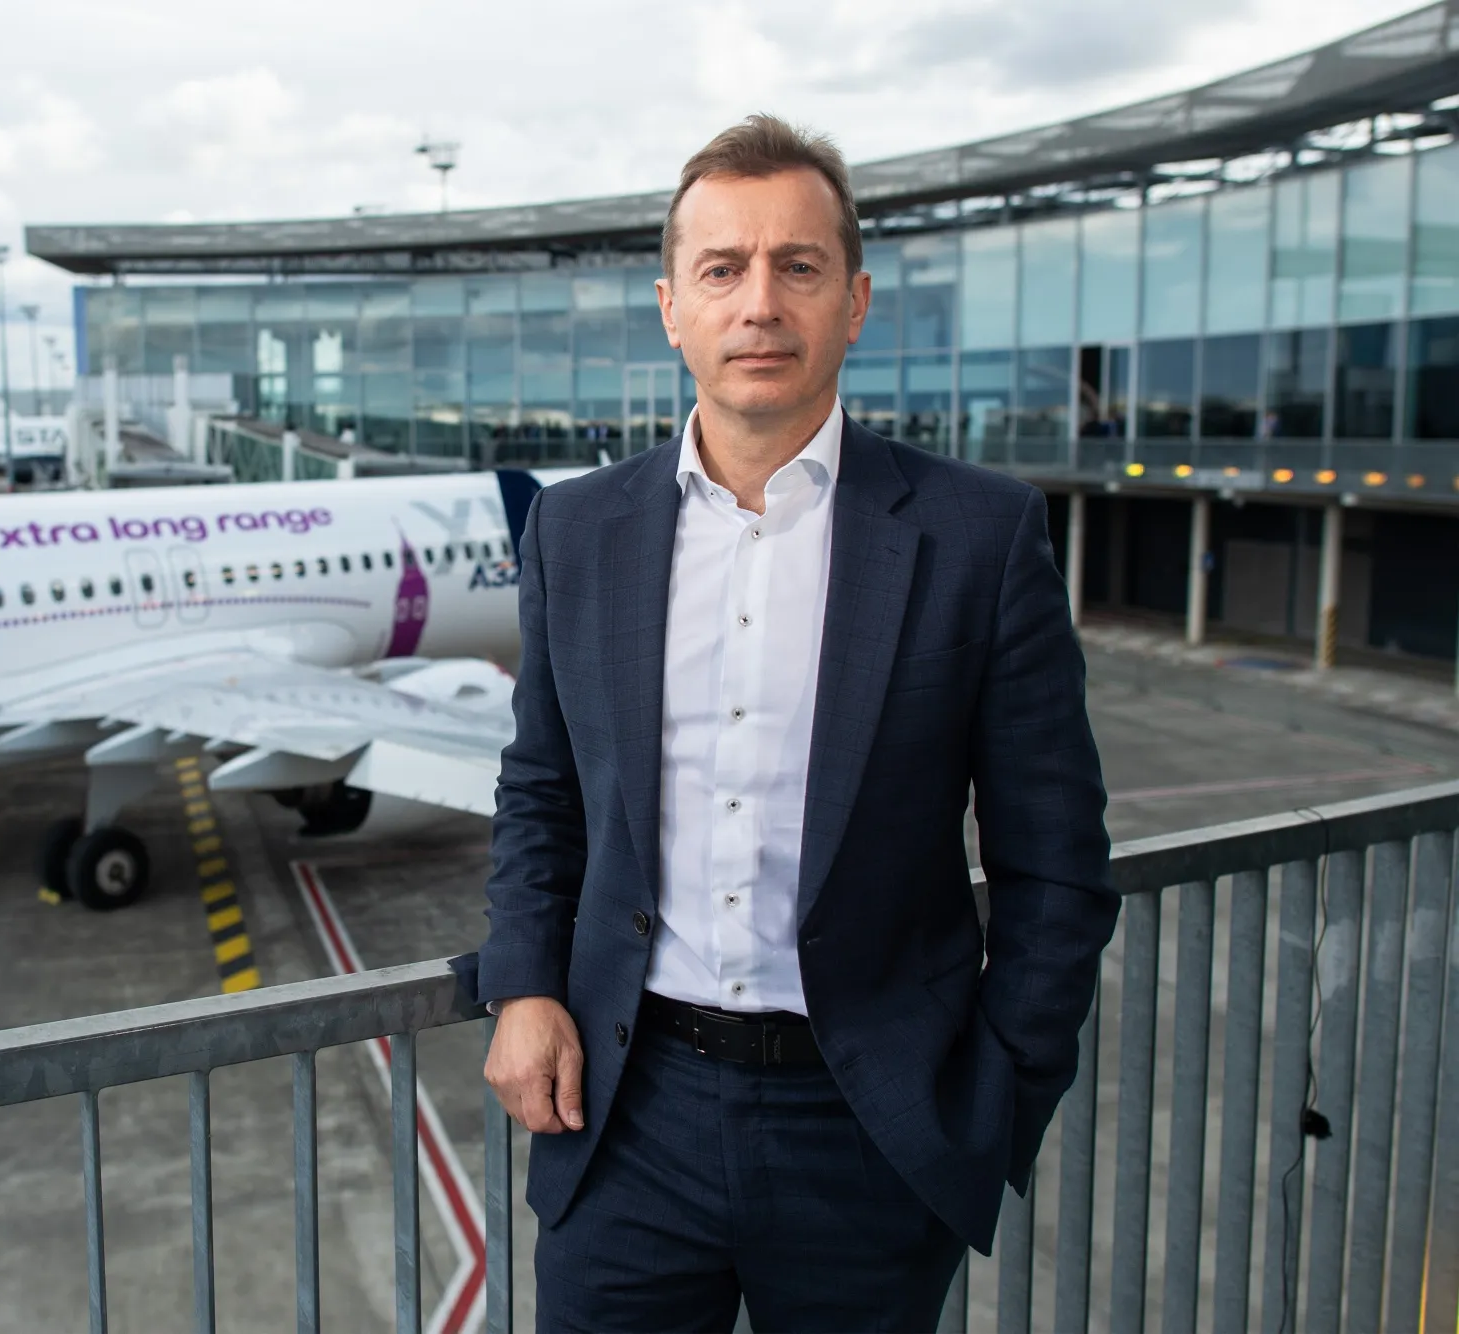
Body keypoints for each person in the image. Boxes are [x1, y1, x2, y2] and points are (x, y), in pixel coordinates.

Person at [470, 115, 1116, 1331]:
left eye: (797, 266)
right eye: (721, 269)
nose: (757, 303)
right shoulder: (575, 530)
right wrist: (522, 984)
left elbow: (1056, 863)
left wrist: (994, 1093)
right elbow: (541, 786)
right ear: (671, 307)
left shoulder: (978, 537)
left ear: (854, 300)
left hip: (867, 1125)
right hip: (627, 1111)